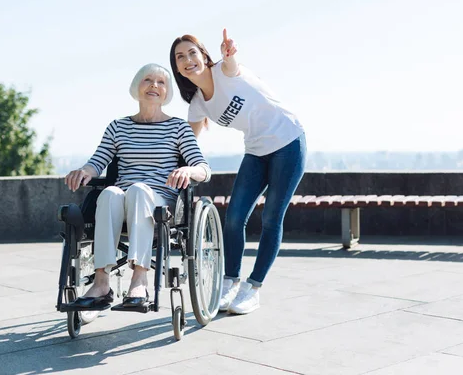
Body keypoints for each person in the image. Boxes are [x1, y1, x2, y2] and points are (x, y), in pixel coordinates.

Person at [169, 30, 306, 314]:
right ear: (178, 68)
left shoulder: (225, 71)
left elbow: (231, 64)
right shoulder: (198, 104)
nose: (188, 59)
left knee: (271, 217)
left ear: (204, 56)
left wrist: (229, 54)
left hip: (288, 142)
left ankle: (252, 288)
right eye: (180, 57)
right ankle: (230, 282)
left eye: (192, 52)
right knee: (233, 218)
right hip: (255, 151)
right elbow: (187, 145)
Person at [64, 63, 211, 310]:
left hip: (159, 200)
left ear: (167, 92)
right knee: (110, 192)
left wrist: (188, 169)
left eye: (161, 82)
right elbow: (97, 162)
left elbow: (204, 169)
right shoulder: (118, 127)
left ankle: (140, 278)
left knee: (139, 190)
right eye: (148, 80)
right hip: (123, 199)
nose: (154, 85)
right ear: (137, 87)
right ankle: (101, 283)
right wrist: (83, 171)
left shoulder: (178, 128)